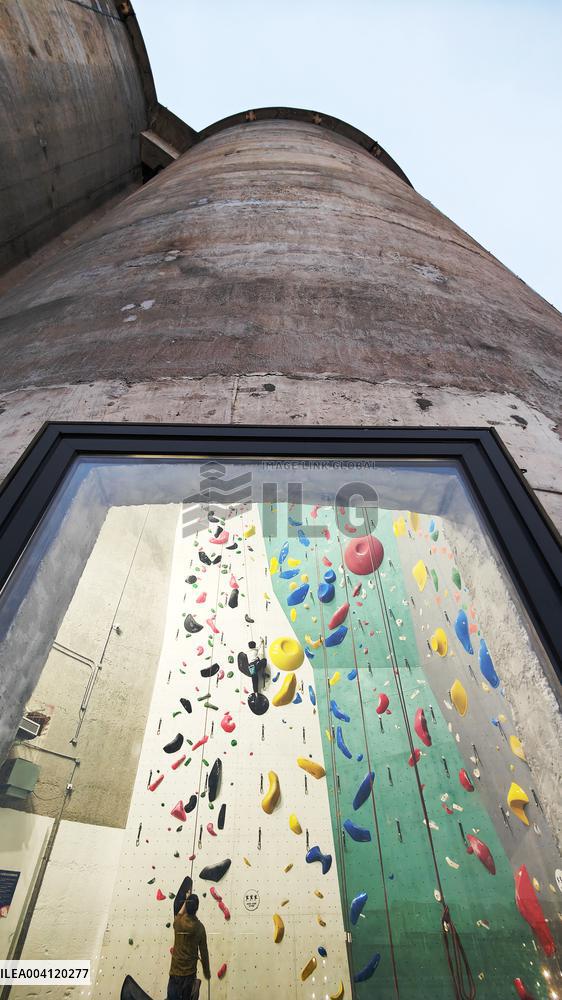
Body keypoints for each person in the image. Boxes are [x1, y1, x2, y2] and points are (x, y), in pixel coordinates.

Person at [167, 893, 210, 1000]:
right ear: (197, 908)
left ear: (186, 906)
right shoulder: (200, 928)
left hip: (175, 972)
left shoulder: (177, 922)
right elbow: (204, 952)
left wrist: (186, 901)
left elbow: (180, 914)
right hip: (189, 974)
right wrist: (206, 971)